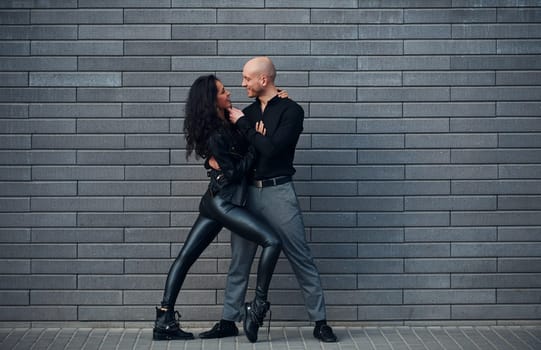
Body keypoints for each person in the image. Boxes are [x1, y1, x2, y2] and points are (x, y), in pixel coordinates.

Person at [199, 57, 338, 342]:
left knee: (301, 257)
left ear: (263, 80)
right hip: (246, 193)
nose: (242, 84)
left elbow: (273, 151)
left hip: (278, 193)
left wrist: (249, 130)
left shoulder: (291, 111)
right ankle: (228, 320)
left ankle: (320, 322)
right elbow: (222, 144)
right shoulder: (244, 113)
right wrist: (210, 161)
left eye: (247, 78)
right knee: (240, 258)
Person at [153, 75, 282, 343]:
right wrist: (254, 149)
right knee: (272, 241)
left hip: (215, 200)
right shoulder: (215, 134)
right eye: (223, 92)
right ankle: (256, 307)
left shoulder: (227, 122)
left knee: (185, 258)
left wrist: (275, 97)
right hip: (224, 203)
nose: (230, 93)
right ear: (213, 101)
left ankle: (164, 320)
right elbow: (234, 173)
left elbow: (249, 123)